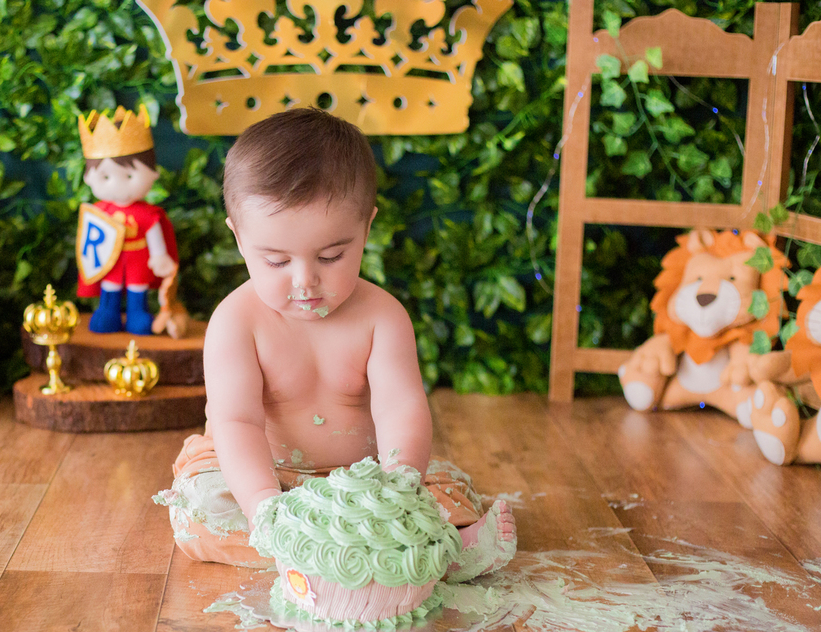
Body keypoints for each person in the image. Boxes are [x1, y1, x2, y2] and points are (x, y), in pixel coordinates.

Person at [156, 108, 515, 574]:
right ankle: (369, 556)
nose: (305, 280)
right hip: (261, 474)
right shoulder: (235, 321)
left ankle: (400, 547)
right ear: (239, 239)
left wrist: (399, 486)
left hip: (362, 483)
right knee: (202, 511)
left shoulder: (382, 317)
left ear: (367, 227)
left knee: (444, 492)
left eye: (331, 256)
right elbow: (237, 422)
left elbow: (399, 409)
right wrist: (266, 508)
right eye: (276, 261)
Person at [76, 105, 178, 335]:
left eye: (130, 175)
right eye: (105, 176)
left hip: (139, 259)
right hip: (109, 260)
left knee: (137, 288)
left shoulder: (148, 214)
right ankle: (107, 311)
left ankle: (138, 315)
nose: (117, 186)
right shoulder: (98, 212)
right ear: (89, 178)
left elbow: (155, 237)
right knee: (109, 286)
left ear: (152, 173)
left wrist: (160, 256)